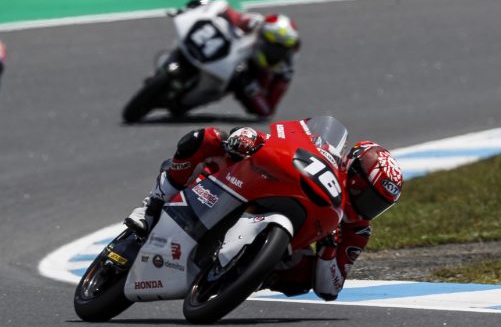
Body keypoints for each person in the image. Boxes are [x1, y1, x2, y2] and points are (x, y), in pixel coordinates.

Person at [124, 125, 404, 301]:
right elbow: (284, 140)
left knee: (302, 274)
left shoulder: (357, 231)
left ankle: (245, 275)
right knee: (205, 139)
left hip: (288, 241)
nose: (368, 209)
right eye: (368, 197)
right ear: (353, 174)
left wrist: (329, 248)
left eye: (378, 205)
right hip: (260, 182)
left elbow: (330, 288)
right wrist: (251, 136)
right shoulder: (323, 149)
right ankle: (151, 208)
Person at [183, 0, 300, 118]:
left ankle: (201, 94)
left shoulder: (284, 68)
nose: (278, 53)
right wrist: (205, 5)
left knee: (259, 103)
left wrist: (250, 86)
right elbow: (226, 9)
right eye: (275, 48)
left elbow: (267, 110)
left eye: (283, 49)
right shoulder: (252, 22)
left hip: (244, 74)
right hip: (221, 47)